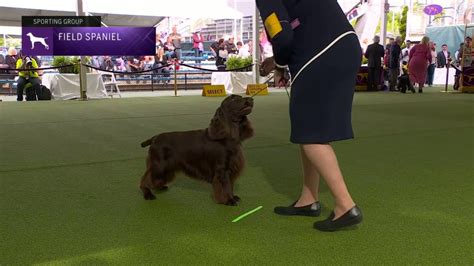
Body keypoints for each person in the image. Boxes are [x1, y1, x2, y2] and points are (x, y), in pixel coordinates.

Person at [257, 0, 362, 232]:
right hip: (346, 45)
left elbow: (282, 35)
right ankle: (308, 198)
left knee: (310, 132)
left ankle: (345, 205)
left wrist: (280, 64)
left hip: (319, 54)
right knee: (311, 129)